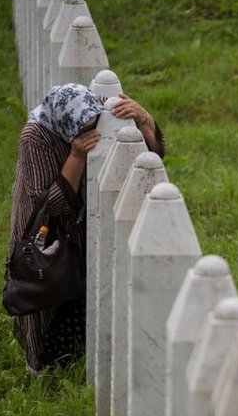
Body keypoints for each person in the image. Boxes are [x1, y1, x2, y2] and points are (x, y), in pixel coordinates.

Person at [10, 83, 163, 373]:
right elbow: (48, 204)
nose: (91, 133)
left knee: (84, 294)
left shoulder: (92, 108)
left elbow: (149, 159)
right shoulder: (36, 137)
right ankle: (45, 368)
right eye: (82, 131)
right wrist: (76, 157)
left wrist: (144, 120)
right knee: (49, 295)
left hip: (83, 227)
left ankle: (76, 363)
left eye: (94, 125)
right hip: (47, 235)